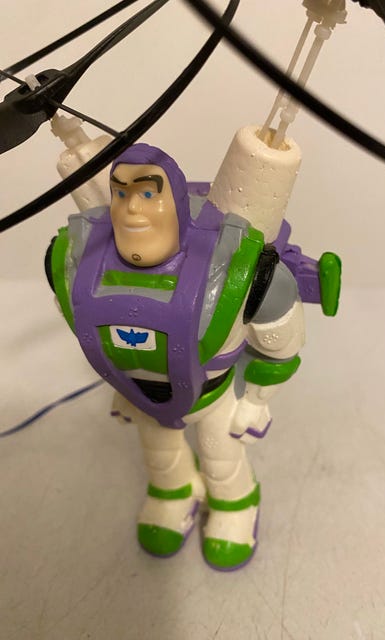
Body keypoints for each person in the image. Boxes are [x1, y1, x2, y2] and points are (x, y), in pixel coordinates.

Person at [45, 142, 305, 570]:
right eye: (121, 192)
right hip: (142, 393)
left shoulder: (242, 269)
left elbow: (281, 347)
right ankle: (174, 493)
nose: (133, 208)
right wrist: (124, 383)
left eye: (148, 193)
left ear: (176, 202)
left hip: (217, 393)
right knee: (161, 455)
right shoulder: (73, 259)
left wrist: (255, 400)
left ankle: (236, 506)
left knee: (220, 457)